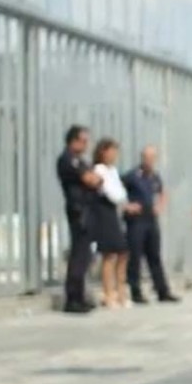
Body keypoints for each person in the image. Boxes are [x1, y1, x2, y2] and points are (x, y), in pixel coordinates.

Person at [122, 145, 180, 305]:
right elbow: (116, 192)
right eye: (147, 157)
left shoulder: (155, 176)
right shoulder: (132, 176)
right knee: (135, 256)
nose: (150, 161)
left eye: (152, 158)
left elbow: (162, 192)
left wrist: (160, 205)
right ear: (142, 158)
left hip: (151, 218)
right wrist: (126, 206)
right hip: (136, 219)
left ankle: (162, 291)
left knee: (154, 255)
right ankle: (135, 291)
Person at [56, 125, 101, 314]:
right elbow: (91, 179)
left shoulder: (81, 161)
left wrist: (94, 179)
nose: (86, 145)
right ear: (73, 140)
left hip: (87, 209)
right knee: (78, 255)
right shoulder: (68, 159)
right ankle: (72, 299)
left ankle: (80, 296)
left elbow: (97, 179)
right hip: (78, 210)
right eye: (83, 141)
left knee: (85, 256)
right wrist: (93, 179)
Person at [90, 138, 136, 308]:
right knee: (109, 254)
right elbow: (110, 192)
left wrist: (124, 202)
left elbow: (120, 192)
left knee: (123, 252)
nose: (114, 155)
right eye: (112, 151)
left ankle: (121, 292)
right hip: (104, 212)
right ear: (103, 152)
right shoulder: (99, 170)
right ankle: (108, 293)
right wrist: (121, 200)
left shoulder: (113, 171)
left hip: (114, 212)